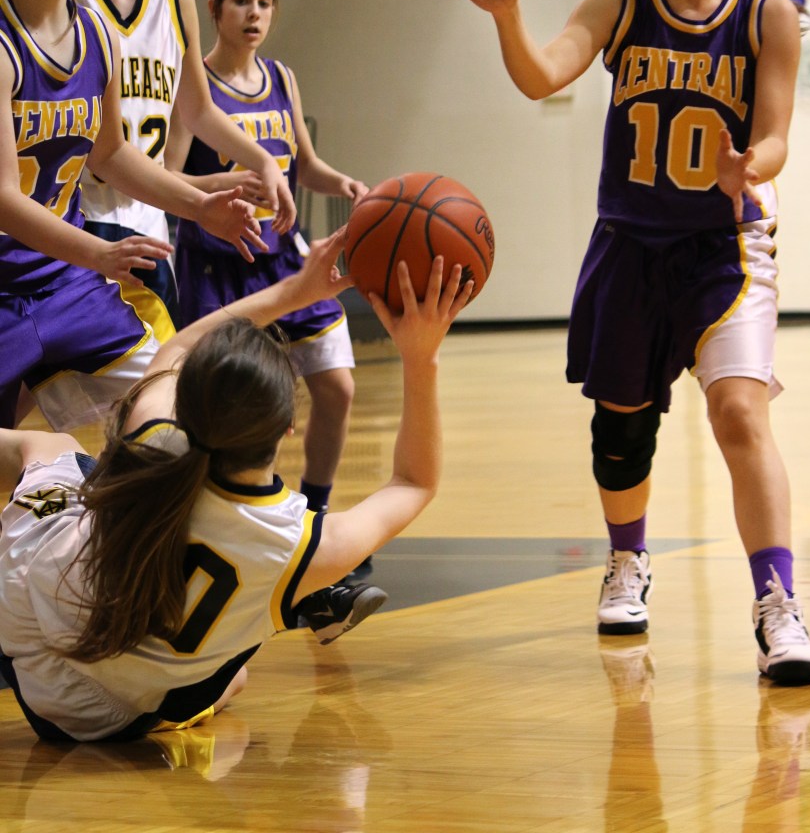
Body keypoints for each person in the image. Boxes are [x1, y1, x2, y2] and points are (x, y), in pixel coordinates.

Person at [448, 0, 810, 685]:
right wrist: (509, 16)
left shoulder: (767, 15)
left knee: (740, 413)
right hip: (629, 244)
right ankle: (627, 562)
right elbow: (543, 77)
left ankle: (780, 609)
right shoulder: (621, 5)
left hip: (722, 249)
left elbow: (774, 136)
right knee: (622, 432)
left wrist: (750, 167)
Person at [0, 231, 472, 741]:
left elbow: (179, 345)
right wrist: (421, 358)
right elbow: (414, 482)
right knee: (237, 666)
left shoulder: (156, 432)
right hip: (102, 715)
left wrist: (295, 291)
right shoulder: (305, 544)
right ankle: (297, 602)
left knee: (46, 448)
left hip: (21, 605)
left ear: (191, 403)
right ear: (288, 427)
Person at [0, 0, 266, 433]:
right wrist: (97, 253)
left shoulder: (94, 32)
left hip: (63, 277)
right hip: (34, 266)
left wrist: (201, 208)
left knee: (173, 414)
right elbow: (2, 198)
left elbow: (111, 153)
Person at [166, 0, 368, 523]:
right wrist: (221, 183)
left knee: (337, 389)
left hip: (285, 257)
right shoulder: (195, 86)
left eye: (264, 3)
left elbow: (302, 163)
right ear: (213, 9)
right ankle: (218, 515)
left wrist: (343, 182)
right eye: (241, 1)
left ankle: (317, 516)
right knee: (229, 406)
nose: (254, 13)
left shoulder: (281, 78)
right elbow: (167, 176)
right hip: (217, 261)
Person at [73, 0, 296, 340]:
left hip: (147, 215)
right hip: (74, 212)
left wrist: (261, 159)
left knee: (143, 381)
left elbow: (198, 110)